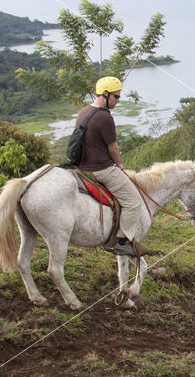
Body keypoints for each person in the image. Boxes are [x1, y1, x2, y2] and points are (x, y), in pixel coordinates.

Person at [75, 76, 143, 256]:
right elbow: (113, 148)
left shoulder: (84, 111)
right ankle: (123, 241)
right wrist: (120, 166)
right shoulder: (105, 118)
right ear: (105, 94)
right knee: (134, 201)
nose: (118, 101)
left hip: (83, 168)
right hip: (101, 169)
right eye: (116, 97)